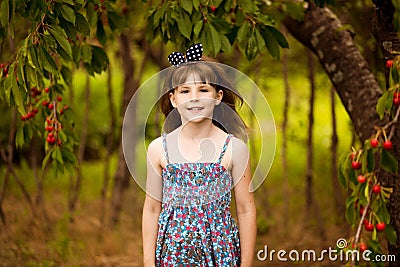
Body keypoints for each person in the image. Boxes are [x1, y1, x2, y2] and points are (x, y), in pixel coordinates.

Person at [142, 43, 256, 267]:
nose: (194, 98)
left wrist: (246, 264)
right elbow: (151, 208)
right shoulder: (158, 148)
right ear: (174, 99)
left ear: (218, 96)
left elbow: (245, 209)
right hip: (172, 254)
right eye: (185, 91)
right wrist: (148, 263)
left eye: (203, 90)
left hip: (220, 252)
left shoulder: (233, 148)